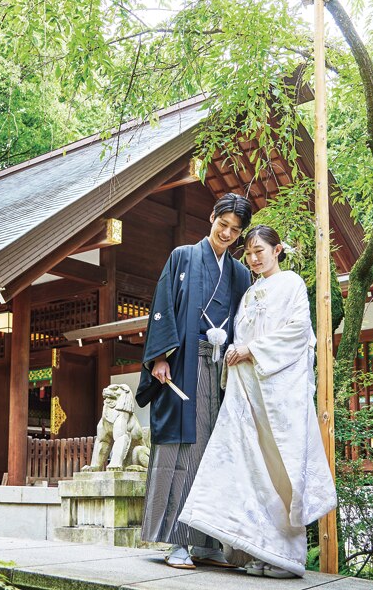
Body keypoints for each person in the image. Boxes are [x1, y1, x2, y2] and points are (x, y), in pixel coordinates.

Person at [177, 224, 337, 579]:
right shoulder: (250, 293)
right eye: (248, 253)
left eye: (259, 251)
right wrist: (234, 349)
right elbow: (241, 335)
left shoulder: (291, 283)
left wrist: (251, 349)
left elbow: (299, 331)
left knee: (281, 468)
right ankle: (259, 549)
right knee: (249, 467)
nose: (253, 258)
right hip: (248, 390)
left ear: (277, 250)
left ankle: (288, 556)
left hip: (279, 394)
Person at [136, 192, 254, 570]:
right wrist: (159, 357)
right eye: (223, 224)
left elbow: (248, 322)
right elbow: (163, 307)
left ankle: (208, 541)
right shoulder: (183, 257)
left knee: (217, 452)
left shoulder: (240, 274)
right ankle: (178, 541)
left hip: (225, 371)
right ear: (212, 217)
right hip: (185, 365)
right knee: (183, 450)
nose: (227, 233)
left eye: (235, 230)